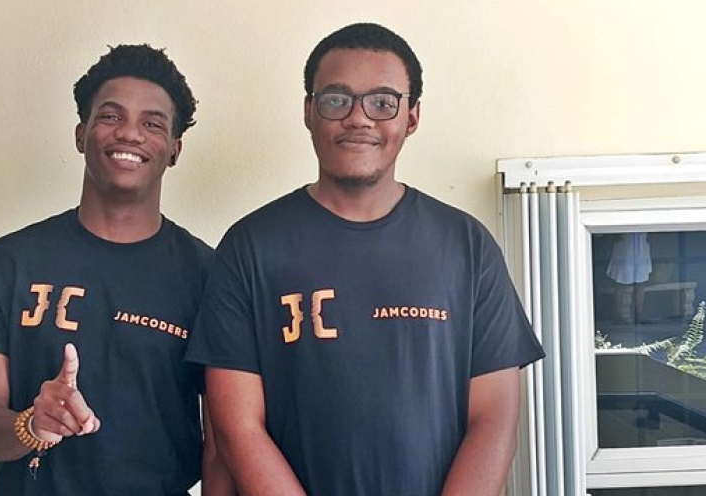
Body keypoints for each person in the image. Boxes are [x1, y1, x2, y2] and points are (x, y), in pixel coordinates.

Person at [185, 23, 545, 496]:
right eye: (336, 99)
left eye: (382, 102)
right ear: (309, 111)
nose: (358, 118)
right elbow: (237, 426)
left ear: (412, 116)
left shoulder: (466, 245)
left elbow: (494, 419)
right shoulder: (250, 246)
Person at [0, 44, 233, 496]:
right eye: (111, 116)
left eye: (152, 123)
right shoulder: (8, 263)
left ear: (175, 149)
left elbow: (221, 443)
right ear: (81, 134)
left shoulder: (209, 275)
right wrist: (33, 425)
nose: (129, 133)